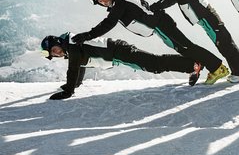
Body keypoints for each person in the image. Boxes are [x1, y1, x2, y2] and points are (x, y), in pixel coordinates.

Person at [71, 0, 229, 86]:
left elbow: (109, 23)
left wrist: (87, 35)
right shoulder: (117, 1)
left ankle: (217, 67)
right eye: (100, 1)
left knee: (187, 46)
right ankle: (196, 65)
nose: (104, 1)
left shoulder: (120, 0)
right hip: (158, 25)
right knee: (183, 49)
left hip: (160, 23)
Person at [42, 33, 202, 100]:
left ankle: (192, 64)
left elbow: (74, 67)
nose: (57, 54)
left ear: (57, 43)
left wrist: (69, 91)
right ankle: (191, 65)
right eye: (53, 54)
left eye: (55, 50)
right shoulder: (70, 46)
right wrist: (75, 83)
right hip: (117, 53)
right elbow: (81, 65)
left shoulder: (71, 45)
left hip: (119, 51)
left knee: (155, 64)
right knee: (155, 64)